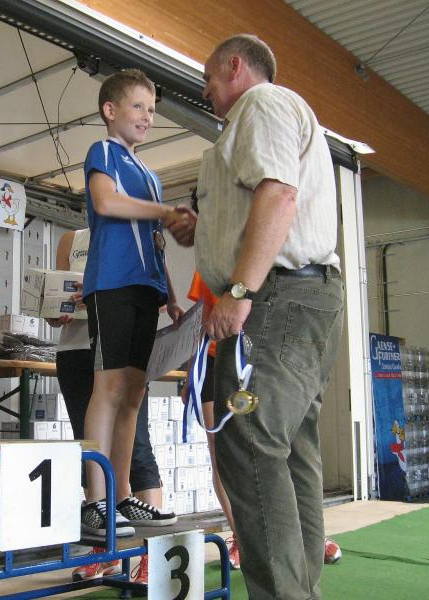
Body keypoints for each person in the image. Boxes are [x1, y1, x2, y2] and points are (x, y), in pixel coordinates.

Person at [169, 35, 345, 599]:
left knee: (247, 439)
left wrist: (240, 290)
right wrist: (206, 230)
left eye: (208, 80)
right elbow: (265, 199)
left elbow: (279, 194)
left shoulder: (260, 103)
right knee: (290, 450)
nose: (205, 92)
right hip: (301, 298)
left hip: (277, 298)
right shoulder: (266, 116)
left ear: (234, 66)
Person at [80, 69, 184, 539]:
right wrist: (165, 211)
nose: (148, 116)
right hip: (112, 285)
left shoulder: (151, 176)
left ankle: (122, 496)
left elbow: (156, 240)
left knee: (135, 392)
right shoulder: (102, 152)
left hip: (146, 290)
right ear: (110, 110)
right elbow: (106, 202)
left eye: (152, 109)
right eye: (138, 106)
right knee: (108, 388)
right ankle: (95, 500)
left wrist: (172, 296)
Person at [46, 229, 170, 584]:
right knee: (91, 450)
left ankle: (151, 554)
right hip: (75, 349)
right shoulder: (71, 239)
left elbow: (157, 297)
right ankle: (106, 550)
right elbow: (56, 298)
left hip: (119, 347)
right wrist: (59, 308)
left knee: (138, 449)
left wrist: (105, 297)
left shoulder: (139, 232)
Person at [183, 271, 241, 570]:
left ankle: (305, 534)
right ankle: (241, 538)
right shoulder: (207, 263)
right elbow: (203, 320)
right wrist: (191, 372)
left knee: (273, 448)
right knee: (218, 451)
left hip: (253, 357)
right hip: (212, 358)